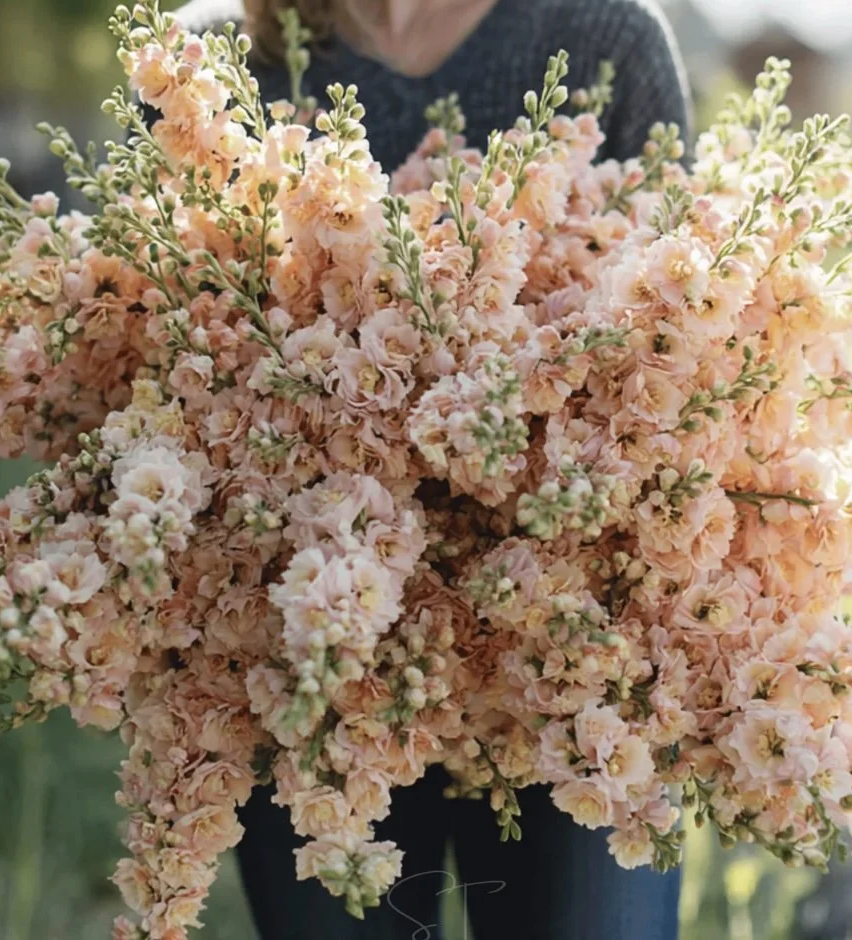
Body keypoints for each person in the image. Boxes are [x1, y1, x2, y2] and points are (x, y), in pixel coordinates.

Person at [163, 1, 692, 937]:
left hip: (565, 675)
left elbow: (677, 349)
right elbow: (159, 354)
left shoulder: (606, 37)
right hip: (309, 671)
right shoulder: (208, 67)